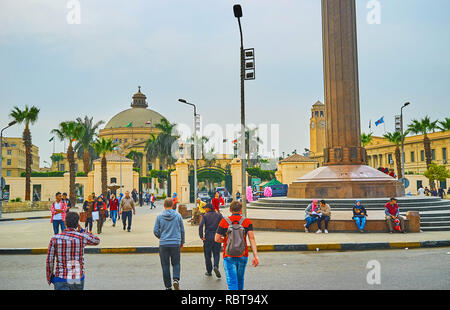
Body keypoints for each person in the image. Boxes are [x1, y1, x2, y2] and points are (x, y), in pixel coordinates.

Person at [46, 212, 100, 290]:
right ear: (77, 223)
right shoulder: (82, 237)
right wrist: (82, 230)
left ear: (65, 223)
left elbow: (49, 261)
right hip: (77, 277)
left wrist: (50, 277)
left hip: (61, 277)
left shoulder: (55, 239)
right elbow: (96, 240)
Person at [215, 201, 259, 290]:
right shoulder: (246, 221)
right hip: (243, 254)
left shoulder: (224, 221)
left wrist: (225, 240)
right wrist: (255, 256)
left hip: (228, 255)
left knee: (232, 281)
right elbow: (252, 238)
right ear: (241, 210)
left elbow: (216, 239)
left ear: (230, 210)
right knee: (240, 279)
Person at [153, 198, 185, 290]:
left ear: (164, 205)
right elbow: (182, 230)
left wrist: (162, 237)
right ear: (172, 205)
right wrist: (182, 242)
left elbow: (155, 231)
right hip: (175, 243)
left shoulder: (159, 216)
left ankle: (168, 286)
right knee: (176, 263)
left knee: (165, 265)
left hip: (164, 244)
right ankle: (176, 279)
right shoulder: (178, 216)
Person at [199, 203, 223, 278]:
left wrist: (201, 236)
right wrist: (222, 234)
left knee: (207, 255)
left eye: (205, 208)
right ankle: (216, 266)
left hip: (208, 237)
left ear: (209, 208)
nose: (204, 209)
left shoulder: (205, 216)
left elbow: (200, 226)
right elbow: (223, 224)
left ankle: (209, 271)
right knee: (216, 254)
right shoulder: (219, 215)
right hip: (217, 237)